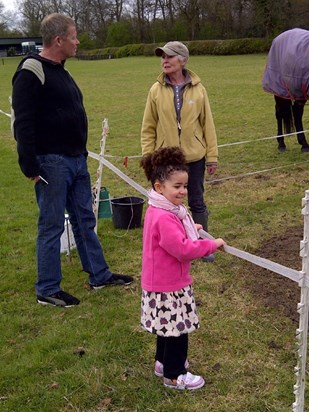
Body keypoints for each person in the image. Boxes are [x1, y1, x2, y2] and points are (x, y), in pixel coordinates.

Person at [11, 13, 133, 307]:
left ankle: (99, 275)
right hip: (51, 162)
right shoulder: (31, 70)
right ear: (58, 40)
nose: (78, 42)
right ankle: (48, 288)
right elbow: (23, 122)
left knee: (84, 219)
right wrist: (29, 165)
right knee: (52, 225)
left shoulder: (61, 70)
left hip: (77, 160)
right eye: (74, 36)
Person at [140, 146, 225, 390]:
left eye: (185, 186)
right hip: (168, 285)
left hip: (161, 282)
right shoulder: (164, 216)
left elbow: (174, 237)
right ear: (159, 187)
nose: (183, 191)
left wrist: (192, 230)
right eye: (177, 187)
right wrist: (211, 245)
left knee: (165, 327)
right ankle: (175, 375)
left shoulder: (161, 210)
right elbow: (183, 249)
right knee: (178, 330)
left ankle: (162, 363)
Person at [141, 41, 218, 262]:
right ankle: (174, 243)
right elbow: (148, 127)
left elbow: (208, 125)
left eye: (170, 56)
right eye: (162, 57)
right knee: (166, 204)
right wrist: (149, 158)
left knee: (197, 201)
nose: (164, 60)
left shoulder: (199, 89)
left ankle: (203, 245)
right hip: (166, 159)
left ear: (183, 60)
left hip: (195, 157)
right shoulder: (155, 90)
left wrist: (211, 156)